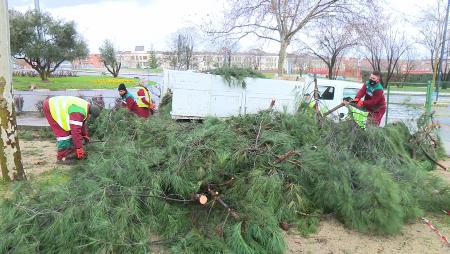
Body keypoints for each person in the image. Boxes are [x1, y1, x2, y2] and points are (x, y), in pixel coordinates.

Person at [43, 96, 100, 163]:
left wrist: (85, 136)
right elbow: (75, 132)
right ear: (90, 113)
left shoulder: (85, 106)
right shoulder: (78, 112)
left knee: (69, 132)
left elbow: (81, 124)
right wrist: (79, 148)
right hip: (50, 107)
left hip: (56, 105)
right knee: (64, 135)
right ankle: (62, 158)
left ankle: (70, 152)